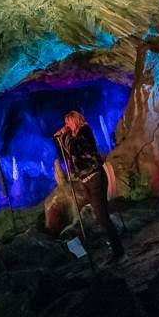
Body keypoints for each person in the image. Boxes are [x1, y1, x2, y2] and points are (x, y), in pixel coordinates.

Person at [54, 110, 124, 259]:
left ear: (74, 121)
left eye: (68, 122)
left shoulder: (84, 132)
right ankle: (115, 247)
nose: (66, 126)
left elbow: (74, 149)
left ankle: (119, 251)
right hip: (85, 180)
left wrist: (65, 135)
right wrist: (58, 140)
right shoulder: (73, 137)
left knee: (102, 216)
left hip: (95, 177)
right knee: (100, 216)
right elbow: (65, 155)